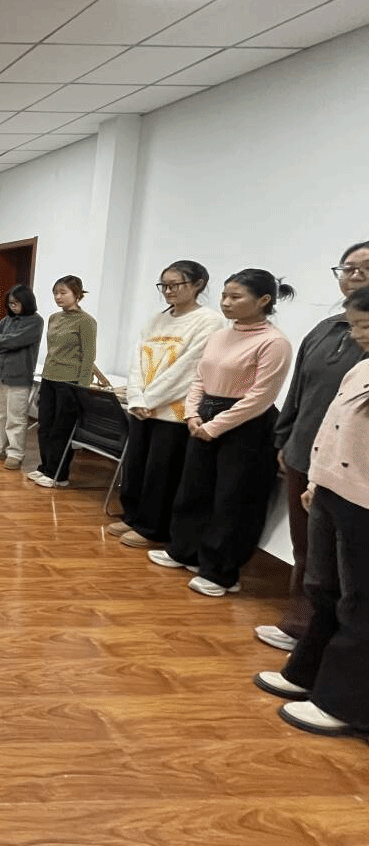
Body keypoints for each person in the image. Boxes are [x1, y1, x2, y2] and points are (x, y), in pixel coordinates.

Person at [253, 285, 369, 737]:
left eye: (365, 326)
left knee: (360, 602)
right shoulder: (360, 368)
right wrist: (317, 482)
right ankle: (306, 674)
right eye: (355, 326)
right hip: (332, 493)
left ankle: (342, 703)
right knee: (324, 588)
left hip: (364, 503)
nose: (358, 336)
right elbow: (332, 428)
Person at [150, 269, 294, 596]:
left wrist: (215, 426)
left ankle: (221, 572)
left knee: (234, 499)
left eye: (235, 297)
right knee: (193, 489)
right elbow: (200, 377)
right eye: (224, 296)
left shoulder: (274, 342)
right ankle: (184, 551)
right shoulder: (220, 336)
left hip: (247, 424)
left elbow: (261, 396)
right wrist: (192, 414)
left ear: (263, 300)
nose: (226, 302)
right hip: (204, 415)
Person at [106, 261, 225, 549]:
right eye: (164, 286)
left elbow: (189, 369)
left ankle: (153, 528)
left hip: (173, 412)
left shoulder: (209, 321)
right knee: (136, 467)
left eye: (175, 285)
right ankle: (132, 516)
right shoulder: (156, 320)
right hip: (142, 408)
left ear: (198, 285)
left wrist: (149, 399)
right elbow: (137, 360)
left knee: (161, 473)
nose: (168, 291)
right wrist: (136, 397)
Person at [30, 275, 108, 488]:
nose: (58, 297)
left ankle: (59, 475)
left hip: (70, 383)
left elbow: (88, 357)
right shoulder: (54, 318)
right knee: (44, 426)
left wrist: (81, 388)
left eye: (63, 292)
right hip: (49, 378)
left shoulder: (86, 321)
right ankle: (46, 467)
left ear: (77, 294)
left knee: (61, 430)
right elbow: (52, 351)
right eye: (55, 293)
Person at [0, 284, 43, 470]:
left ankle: (15, 453)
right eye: (10, 303)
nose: (13, 307)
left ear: (26, 302)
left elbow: (16, 341)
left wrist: (1, 342)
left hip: (19, 377)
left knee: (16, 418)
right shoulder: (7, 320)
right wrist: (3, 342)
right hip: (0, 374)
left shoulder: (36, 321)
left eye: (16, 303)